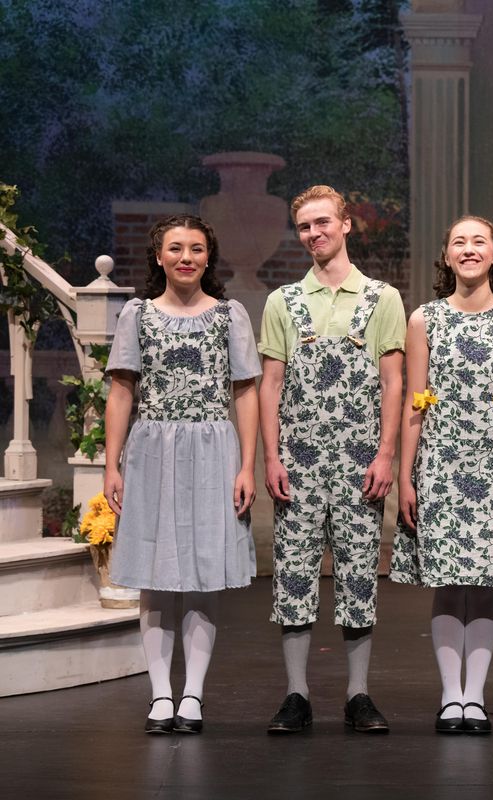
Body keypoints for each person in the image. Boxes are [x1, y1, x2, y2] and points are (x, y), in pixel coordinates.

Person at [258, 185, 406, 734]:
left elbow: (394, 382)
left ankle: (358, 694)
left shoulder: (381, 298)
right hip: (296, 461)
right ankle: (296, 695)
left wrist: (386, 454)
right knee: (293, 576)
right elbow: (271, 384)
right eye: (304, 227)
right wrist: (270, 457)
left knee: (359, 576)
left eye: (323, 223)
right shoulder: (283, 302)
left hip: (360, 460)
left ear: (345, 225)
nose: (314, 234)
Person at [105, 214, 260, 734]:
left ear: (208, 257)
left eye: (196, 248)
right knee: (155, 577)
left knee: (201, 576)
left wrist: (246, 465)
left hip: (214, 449)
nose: (186, 257)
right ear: (159, 257)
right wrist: (112, 464)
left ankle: (192, 693)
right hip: (152, 450)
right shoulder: (138, 315)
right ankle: (160, 695)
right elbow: (122, 390)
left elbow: (245, 391)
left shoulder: (229, 315)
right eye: (176, 248)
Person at [391, 216, 493, 735]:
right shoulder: (423, 319)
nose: (469, 249)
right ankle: (450, 694)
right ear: (447, 256)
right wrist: (406, 476)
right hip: (440, 461)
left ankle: (475, 696)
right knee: (450, 583)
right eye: (460, 241)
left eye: (479, 241)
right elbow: (415, 404)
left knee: (485, 582)